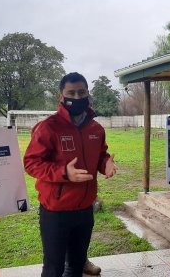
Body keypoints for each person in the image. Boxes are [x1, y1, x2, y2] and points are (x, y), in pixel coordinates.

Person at [24, 72, 117, 277]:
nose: (76, 97)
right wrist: (63, 173)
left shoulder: (96, 128)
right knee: (53, 269)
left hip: (85, 210)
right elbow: (31, 163)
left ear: (87, 94)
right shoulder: (48, 127)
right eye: (71, 93)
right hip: (55, 211)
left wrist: (105, 165)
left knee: (75, 266)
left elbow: (100, 155)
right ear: (61, 96)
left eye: (81, 92)